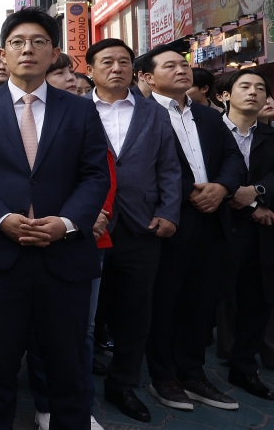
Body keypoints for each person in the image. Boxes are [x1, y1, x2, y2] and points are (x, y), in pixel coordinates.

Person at [0, 7, 111, 429]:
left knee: (69, 371)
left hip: (64, 259)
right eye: (18, 42)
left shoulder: (79, 110)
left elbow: (95, 174)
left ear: (54, 53)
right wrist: (1, 217)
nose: (28, 49)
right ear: (3, 52)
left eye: (39, 42)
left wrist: (68, 223)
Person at [142, 45, 246, 412]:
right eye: (169, 65)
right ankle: (163, 376)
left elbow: (233, 158)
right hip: (169, 221)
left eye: (183, 64)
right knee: (164, 302)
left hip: (212, 219)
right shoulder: (141, 113)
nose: (181, 69)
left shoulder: (207, 115)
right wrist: (190, 192)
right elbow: (142, 167)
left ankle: (192, 373)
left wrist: (221, 187)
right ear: (148, 77)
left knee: (201, 303)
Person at [85, 39, 181, 423]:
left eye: (124, 62)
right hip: (90, 227)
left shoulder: (154, 112)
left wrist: (169, 212)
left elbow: (169, 167)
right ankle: (76, 385)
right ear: (90, 69)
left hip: (142, 226)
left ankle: (123, 384)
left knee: (136, 312)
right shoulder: (73, 110)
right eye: (107, 61)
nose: (117, 68)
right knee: (85, 313)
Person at [216, 70, 274, 400]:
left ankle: (244, 367)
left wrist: (259, 192)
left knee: (257, 301)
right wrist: (253, 205)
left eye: (260, 88)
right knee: (203, 301)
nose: (254, 92)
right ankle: (184, 372)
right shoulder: (207, 130)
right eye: (246, 86)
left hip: (259, 236)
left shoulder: (270, 135)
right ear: (225, 95)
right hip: (215, 228)